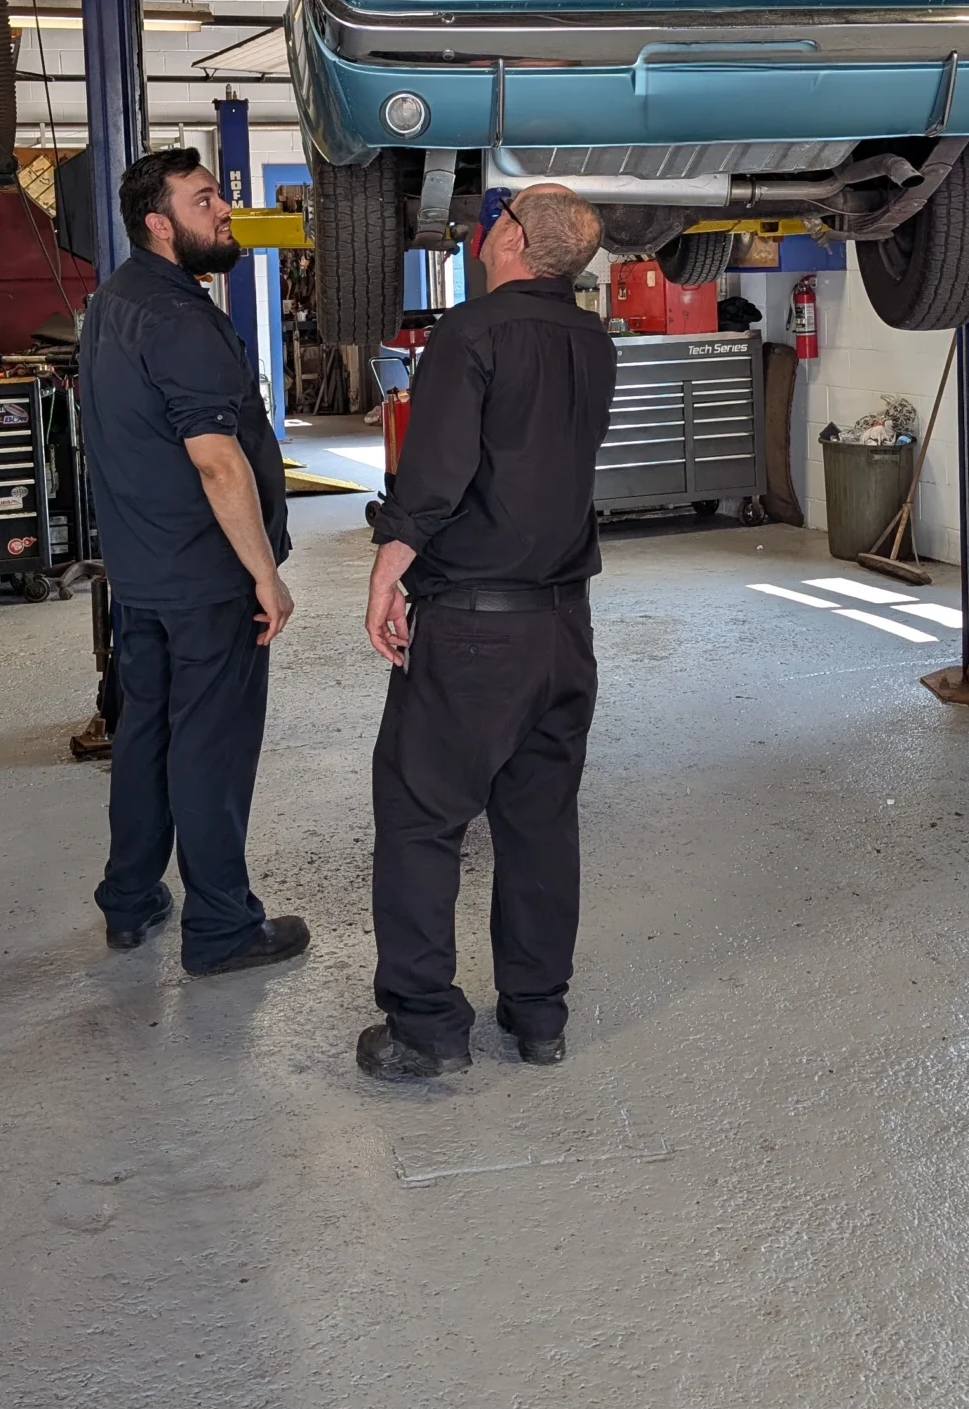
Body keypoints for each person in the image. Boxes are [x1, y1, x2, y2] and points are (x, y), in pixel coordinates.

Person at [358, 183, 617, 1081]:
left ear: (511, 242)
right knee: (540, 819)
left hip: (475, 629)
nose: (486, 225)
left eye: (499, 217)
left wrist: (388, 570)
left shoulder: (472, 332)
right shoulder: (593, 339)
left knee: (421, 816)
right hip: (564, 628)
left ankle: (425, 1028)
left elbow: (436, 475)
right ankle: (538, 1015)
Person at [78, 148, 310, 977]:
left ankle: (130, 901)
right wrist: (265, 574)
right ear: (158, 222)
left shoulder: (114, 303)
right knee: (211, 747)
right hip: (206, 578)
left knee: (146, 736)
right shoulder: (180, 320)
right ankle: (221, 927)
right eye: (204, 200)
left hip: (142, 573)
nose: (224, 211)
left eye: (220, 196)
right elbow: (217, 462)